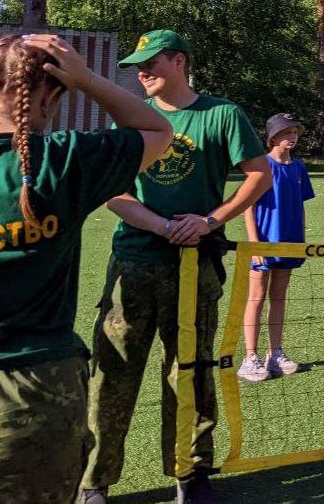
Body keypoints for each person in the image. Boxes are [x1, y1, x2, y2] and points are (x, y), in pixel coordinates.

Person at [82, 29, 272, 504]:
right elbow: (116, 192)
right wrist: (163, 225)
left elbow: (259, 174)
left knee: (190, 371)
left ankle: (191, 473)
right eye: (137, 65)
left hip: (197, 266)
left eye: (152, 62)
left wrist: (210, 221)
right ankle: (94, 482)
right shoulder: (130, 122)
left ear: (180, 62)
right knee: (112, 372)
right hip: (134, 263)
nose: (142, 72)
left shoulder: (222, 114)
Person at [0, 34, 171, 504]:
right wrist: (89, 80)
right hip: (36, 396)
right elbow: (157, 132)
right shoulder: (64, 160)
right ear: (52, 93)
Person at [238, 114, 315, 382]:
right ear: (273, 138)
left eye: (295, 131)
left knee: (279, 298)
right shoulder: (262, 166)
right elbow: (247, 205)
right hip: (263, 244)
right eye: (286, 132)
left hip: (290, 244)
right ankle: (250, 357)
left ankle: (275, 354)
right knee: (256, 298)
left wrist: (301, 240)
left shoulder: (299, 168)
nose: (292, 136)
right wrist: (255, 243)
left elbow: (300, 207)